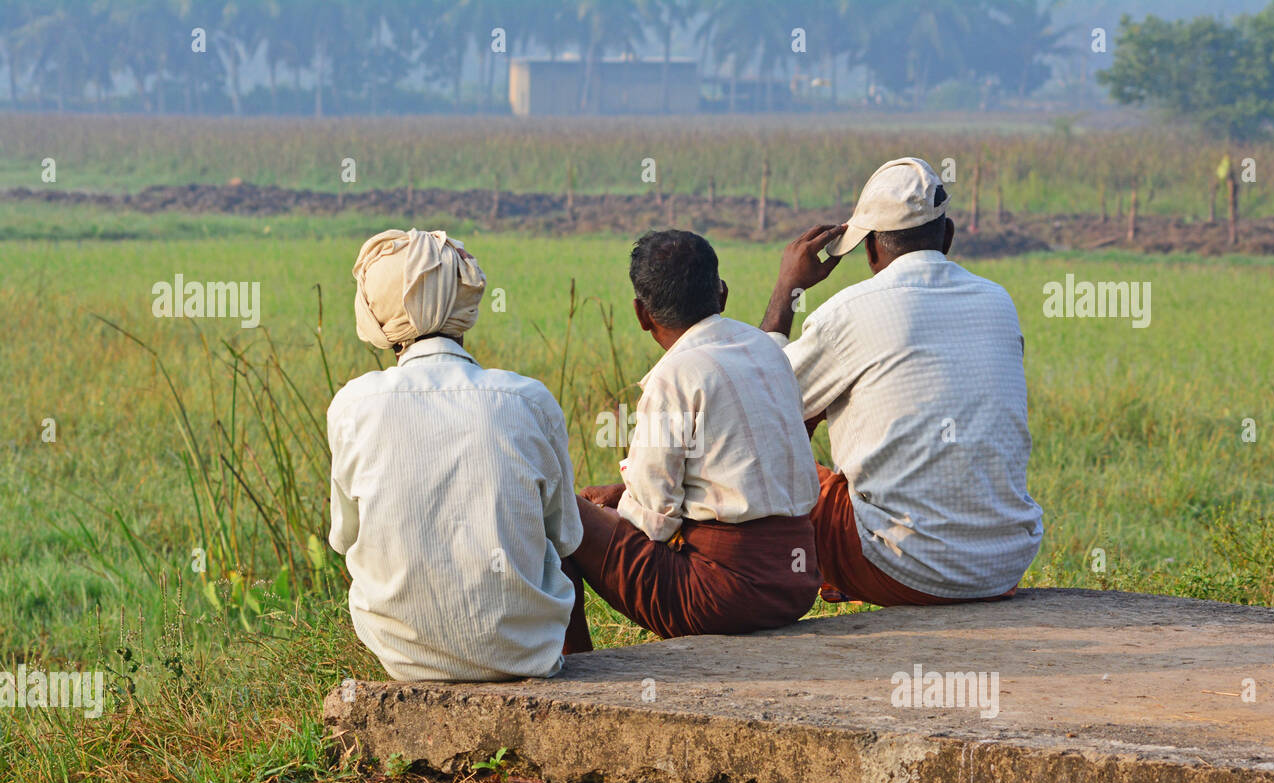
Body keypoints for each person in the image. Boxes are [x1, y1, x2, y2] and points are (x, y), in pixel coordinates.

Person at [761, 157, 1043, 606]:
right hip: (1002, 565)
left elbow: (751, 403)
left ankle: (787, 584)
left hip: (905, 569)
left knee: (763, 463)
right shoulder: (998, 301)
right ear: (946, 237)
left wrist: (786, 290)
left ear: (870, 249)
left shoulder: (849, 310)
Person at [327, 228, 583, 681]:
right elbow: (565, 538)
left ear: (383, 322)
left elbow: (344, 539)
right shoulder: (528, 399)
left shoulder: (353, 405)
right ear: (466, 308)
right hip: (525, 655)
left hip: (405, 662)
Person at [563, 229, 822, 651]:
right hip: (796, 584)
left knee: (558, 507)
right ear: (721, 295)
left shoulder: (674, 375)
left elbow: (653, 521)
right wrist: (623, 495)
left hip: (726, 597)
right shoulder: (767, 351)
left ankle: (576, 666)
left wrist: (612, 508)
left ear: (641, 314)